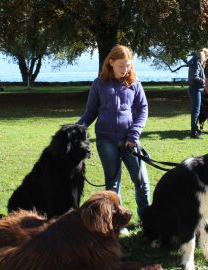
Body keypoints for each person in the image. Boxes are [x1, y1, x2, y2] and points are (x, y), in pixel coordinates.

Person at [77, 45, 150, 230]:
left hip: (130, 141)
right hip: (105, 140)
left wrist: (134, 134)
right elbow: (90, 112)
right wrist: (76, 130)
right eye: (121, 66)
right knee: (112, 185)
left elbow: (143, 110)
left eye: (128, 66)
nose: (125, 70)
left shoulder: (134, 83)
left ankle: (147, 220)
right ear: (110, 62)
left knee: (141, 181)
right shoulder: (99, 84)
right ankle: (118, 225)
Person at [187, 48, 208, 139]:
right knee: (196, 112)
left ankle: (195, 130)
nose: (206, 60)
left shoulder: (195, 62)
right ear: (205, 56)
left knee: (196, 111)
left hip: (195, 89)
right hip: (195, 89)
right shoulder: (197, 63)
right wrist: (203, 81)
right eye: (207, 58)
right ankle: (194, 133)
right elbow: (195, 77)